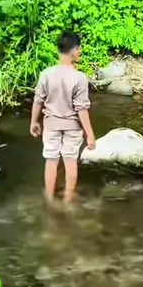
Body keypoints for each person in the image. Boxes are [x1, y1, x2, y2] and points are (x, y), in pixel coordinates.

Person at [30, 31, 95, 204]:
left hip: (51, 125)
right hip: (73, 127)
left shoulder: (46, 74)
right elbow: (82, 109)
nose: (79, 52)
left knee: (51, 161)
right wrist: (90, 134)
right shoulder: (80, 78)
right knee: (70, 161)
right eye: (78, 49)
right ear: (73, 51)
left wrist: (34, 122)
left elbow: (38, 100)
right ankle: (68, 198)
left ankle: (49, 198)